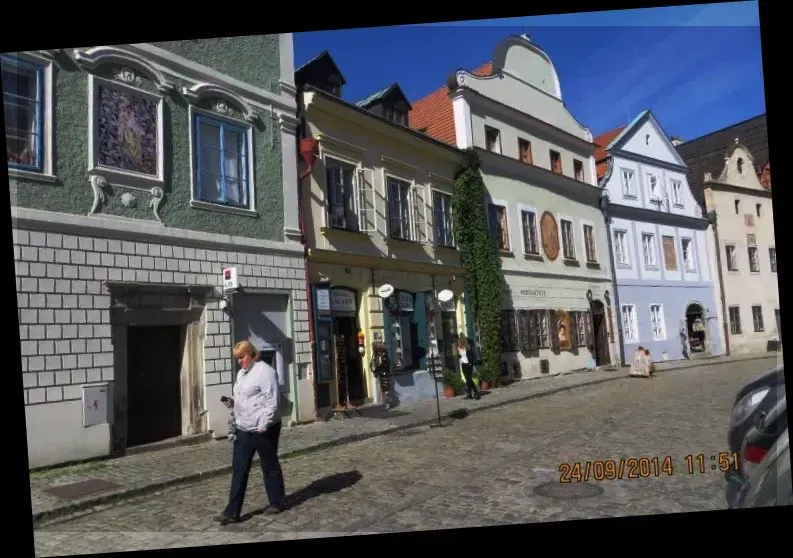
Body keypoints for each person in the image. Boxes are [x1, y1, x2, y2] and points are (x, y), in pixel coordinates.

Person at [215, 340, 287, 525]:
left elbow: (273, 403)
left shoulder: (265, 372)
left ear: (252, 354)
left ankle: (277, 502)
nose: (240, 361)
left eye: (242, 357)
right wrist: (233, 403)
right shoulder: (242, 374)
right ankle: (232, 512)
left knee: (269, 465)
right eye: (237, 358)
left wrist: (263, 424)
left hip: (264, 428)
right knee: (239, 469)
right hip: (244, 428)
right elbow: (245, 399)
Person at [457, 333, 480, 400]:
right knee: (467, 379)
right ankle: (470, 394)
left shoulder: (468, 346)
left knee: (469, 379)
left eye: (459, 340)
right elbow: (460, 356)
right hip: (463, 364)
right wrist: (458, 352)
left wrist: (471, 363)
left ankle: (476, 393)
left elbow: (471, 355)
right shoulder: (459, 347)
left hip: (469, 364)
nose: (459, 341)